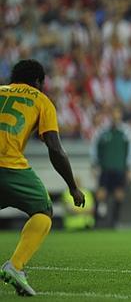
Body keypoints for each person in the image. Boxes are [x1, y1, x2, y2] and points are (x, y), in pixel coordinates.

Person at [0, 59, 85, 296]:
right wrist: (73, 187)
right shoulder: (40, 100)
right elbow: (55, 149)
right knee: (43, 210)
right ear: (39, 82)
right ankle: (15, 266)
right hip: (8, 165)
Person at [90, 106, 131, 229]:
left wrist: (129, 168)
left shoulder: (126, 131)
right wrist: (94, 165)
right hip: (105, 168)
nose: (115, 116)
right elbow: (94, 148)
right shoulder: (102, 131)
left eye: (117, 114)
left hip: (120, 168)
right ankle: (96, 221)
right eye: (113, 114)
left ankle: (115, 221)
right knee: (101, 194)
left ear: (120, 115)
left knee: (119, 194)